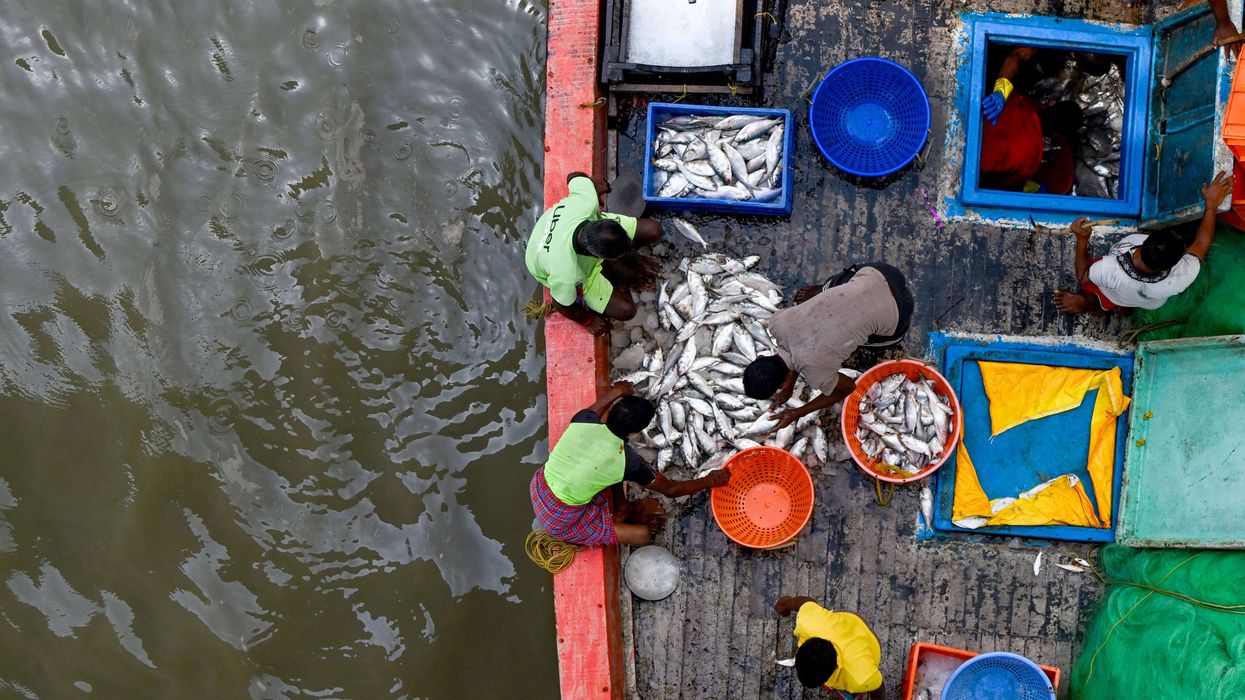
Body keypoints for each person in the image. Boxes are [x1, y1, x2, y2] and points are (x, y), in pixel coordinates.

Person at [529, 381, 731, 547]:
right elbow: (671, 489)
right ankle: (616, 515)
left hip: (539, 486)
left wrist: (618, 390)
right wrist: (710, 480)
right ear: (634, 433)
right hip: (560, 520)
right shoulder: (628, 461)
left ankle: (621, 507)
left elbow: (608, 399)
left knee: (606, 469)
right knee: (642, 536)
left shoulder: (584, 419)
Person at [743, 263, 914, 433]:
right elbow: (794, 348)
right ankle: (822, 288)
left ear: (780, 385)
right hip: (880, 271)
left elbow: (848, 388)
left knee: (887, 340)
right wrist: (790, 384)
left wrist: (797, 413)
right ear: (759, 358)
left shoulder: (818, 373)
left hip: (902, 308)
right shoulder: (776, 323)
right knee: (827, 300)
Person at [1054, 170, 1233, 314]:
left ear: (1137, 250)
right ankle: (1124, 306)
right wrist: (1211, 205)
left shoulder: (1107, 269)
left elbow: (1083, 276)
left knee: (1101, 299)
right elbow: (1201, 243)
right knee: (1127, 300)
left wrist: (1082, 239)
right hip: (1148, 299)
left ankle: (1088, 305)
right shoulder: (1183, 274)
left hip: (1112, 293)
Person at [525, 171, 664, 335]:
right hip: (551, 260)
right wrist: (587, 321)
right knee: (627, 311)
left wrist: (594, 186)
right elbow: (562, 304)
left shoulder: (587, 203)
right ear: (597, 257)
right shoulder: (567, 273)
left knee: (654, 230)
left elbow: (573, 176)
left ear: (602, 221)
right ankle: (620, 279)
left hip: (577, 226)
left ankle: (621, 267)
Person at [774, 595, 884, 699]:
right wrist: (786, 603)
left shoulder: (862, 677)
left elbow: (878, 689)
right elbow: (804, 603)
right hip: (849, 623)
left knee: (857, 689)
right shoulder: (810, 622)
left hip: (871, 643)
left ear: (836, 667)